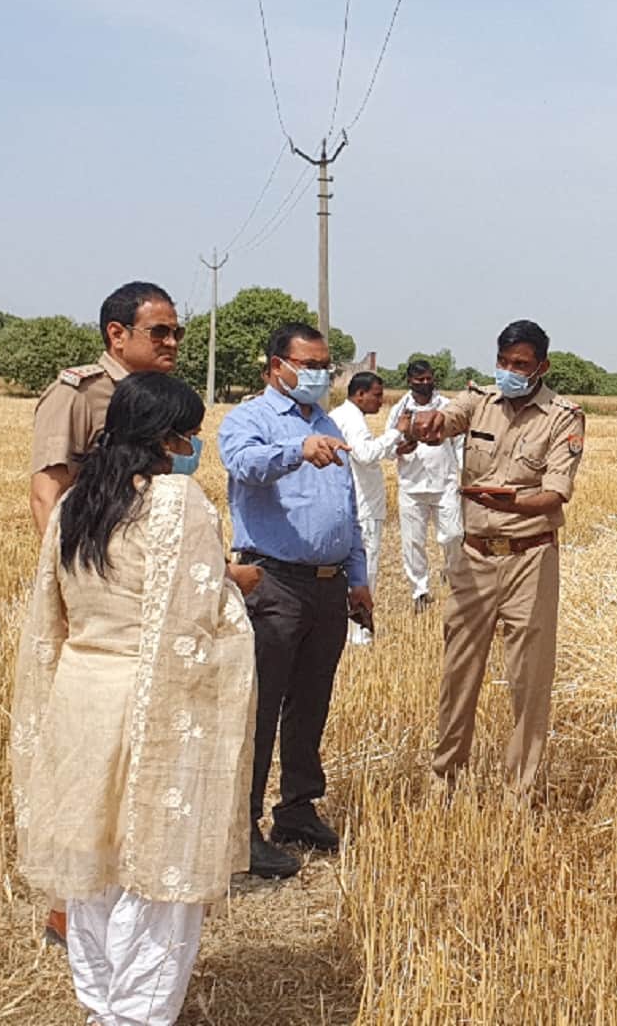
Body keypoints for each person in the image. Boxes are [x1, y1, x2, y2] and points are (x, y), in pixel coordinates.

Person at [12, 372, 259, 1026]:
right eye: (189, 433)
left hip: (77, 698)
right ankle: (137, 1017)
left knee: (91, 866)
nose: (193, 445)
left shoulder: (74, 504)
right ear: (166, 437)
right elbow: (196, 615)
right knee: (157, 871)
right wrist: (240, 590)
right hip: (144, 702)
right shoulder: (178, 502)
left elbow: (53, 611)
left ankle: (101, 1011)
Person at [406, 320, 585, 800]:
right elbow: (444, 421)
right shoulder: (479, 401)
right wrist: (423, 424)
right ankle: (443, 779)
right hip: (474, 559)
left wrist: (506, 501)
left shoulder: (563, 417)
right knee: (458, 670)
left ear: (542, 367)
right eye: (503, 363)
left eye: (520, 365)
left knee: (530, 678)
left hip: (530, 558)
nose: (509, 373)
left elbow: (553, 495)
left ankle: (519, 792)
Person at [218, 322, 372, 874]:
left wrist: (358, 576)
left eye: (325, 366)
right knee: (260, 706)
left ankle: (298, 808)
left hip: (329, 586)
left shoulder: (328, 422)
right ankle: (244, 825)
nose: (319, 375)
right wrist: (296, 449)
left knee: (311, 703)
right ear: (274, 368)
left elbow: (346, 512)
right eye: (308, 365)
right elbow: (243, 465)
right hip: (274, 583)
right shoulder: (249, 421)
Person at [30, 282, 183, 532]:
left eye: (177, 333)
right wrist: (66, 567)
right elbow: (46, 496)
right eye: (159, 332)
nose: (172, 343)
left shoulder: (164, 400)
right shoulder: (77, 394)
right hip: (98, 557)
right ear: (117, 335)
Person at [327, 371, 403, 645]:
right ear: (360, 394)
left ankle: (348, 630)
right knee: (364, 569)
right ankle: (359, 634)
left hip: (350, 502)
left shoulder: (339, 416)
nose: (381, 402)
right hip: (363, 506)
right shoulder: (352, 420)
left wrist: (395, 447)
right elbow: (365, 454)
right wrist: (397, 432)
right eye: (377, 395)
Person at [385, 360, 463, 611]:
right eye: (419, 380)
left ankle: (451, 573)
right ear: (409, 381)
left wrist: (464, 474)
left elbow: (460, 444)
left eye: (429, 378)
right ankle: (420, 591)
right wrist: (399, 448)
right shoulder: (399, 410)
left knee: (453, 535)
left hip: (445, 481)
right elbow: (388, 447)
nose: (425, 383)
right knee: (413, 542)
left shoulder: (447, 407)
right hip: (412, 484)